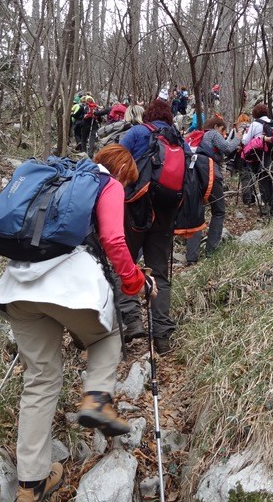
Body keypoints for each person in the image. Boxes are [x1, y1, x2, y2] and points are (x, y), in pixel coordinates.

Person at [0, 145, 157, 502]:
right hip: (69, 287)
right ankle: (96, 399)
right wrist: (136, 282)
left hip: (17, 288)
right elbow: (113, 239)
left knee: (40, 380)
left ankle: (30, 487)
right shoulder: (105, 185)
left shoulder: (57, 180)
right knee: (107, 338)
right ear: (123, 173)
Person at [118, 99, 186, 355]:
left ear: (148, 116)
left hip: (135, 209)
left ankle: (131, 320)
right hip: (166, 214)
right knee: (160, 273)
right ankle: (162, 337)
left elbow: (116, 164)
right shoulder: (178, 139)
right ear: (169, 118)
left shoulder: (136, 133)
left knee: (124, 264)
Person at [185, 116, 244, 264]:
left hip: (192, 176)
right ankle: (212, 250)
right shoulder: (212, 133)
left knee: (196, 213)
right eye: (223, 131)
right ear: (218, 126)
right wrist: (237, 137)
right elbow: (227, 148)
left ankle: (192, 257)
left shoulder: (196, 137)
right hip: (211, 174)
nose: (223, 135)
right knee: (218, 211)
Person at [241, 104, 273, 215]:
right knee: (269, 179)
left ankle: (267, 205)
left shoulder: (255, 124)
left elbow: (245, 141)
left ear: (255, 114)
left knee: (262, 179)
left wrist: (243, 135)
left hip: (260, 156)